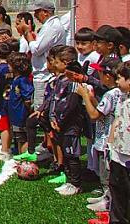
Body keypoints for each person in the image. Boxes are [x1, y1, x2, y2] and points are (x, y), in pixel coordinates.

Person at [76, 58, 123, 214]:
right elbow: (103, 111)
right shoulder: (118, 92)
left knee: (106, 174)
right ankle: (106, 197)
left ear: (108, 76)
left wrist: (84, 96)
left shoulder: (110, 94)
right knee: (108, 173)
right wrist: (92, 98)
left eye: (100, 73)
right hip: (111, 140)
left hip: (106, 141)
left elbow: (94, 115)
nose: (98, 76)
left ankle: (108, 201)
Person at [49, 47, 87, 196]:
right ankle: (69, 180)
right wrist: (53, 118)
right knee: (65, 153)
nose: (54, 64)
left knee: (72, 155)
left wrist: (61, 121)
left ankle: (76, 184)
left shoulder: (73, 83)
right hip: (59, 124)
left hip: (70, 126)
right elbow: (54, 100)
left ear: (65, 63)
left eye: (57, 62)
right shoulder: (60, 80)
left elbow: (71, 106)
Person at [24, 0, 67, 109]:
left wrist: (28, 33)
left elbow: (36, 49)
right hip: (42, 74)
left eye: (37, 12)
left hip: (45, 75)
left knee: (40, 108)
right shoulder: (49, 26)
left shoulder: (52, 27)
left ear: (45, 12)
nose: (35, 16)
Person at [106, 63, 130, 224]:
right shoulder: (122, 97)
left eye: (120, 78)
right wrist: (110, 143)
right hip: (118, 152)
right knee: (117, 187)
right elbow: (117, 119)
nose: (116, 82)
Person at [6, 52, 34, 157]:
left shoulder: (23, 80)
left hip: (21, 115)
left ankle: (24, 158)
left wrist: (29, 110)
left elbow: (28, 98)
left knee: (22, 138)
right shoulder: (16, 79)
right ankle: (20, 155)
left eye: (10, 64)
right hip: (15, 114)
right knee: (18, 137)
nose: (8, 66)